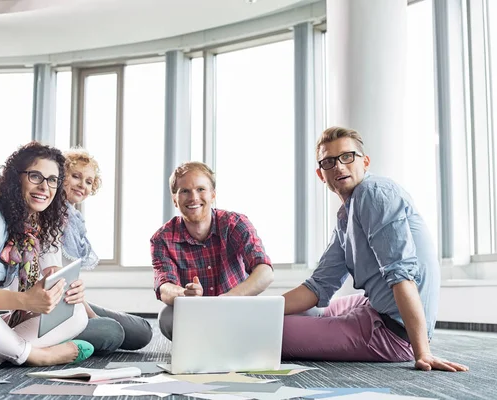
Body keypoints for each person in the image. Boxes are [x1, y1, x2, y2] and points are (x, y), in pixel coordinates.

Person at [281, 126, 469, 372]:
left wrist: (422, 352)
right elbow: (319, 287)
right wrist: (257, 309)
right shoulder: (345, 215)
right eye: (328, 161)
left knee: (270, 332)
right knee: (289, 315)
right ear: (321, 174)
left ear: (365, 161)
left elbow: (401, 275)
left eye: (347, 157)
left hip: (392, 332)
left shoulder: (374, 193)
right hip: (371, 306)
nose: (338, 166)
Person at [0, 142, 93, 374]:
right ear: (16, 178)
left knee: (76, 312)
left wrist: (62, 288)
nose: (45, 186)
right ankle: (35, 355)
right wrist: (25, 300)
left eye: (52, 180)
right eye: (35, 176)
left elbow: (41, 278)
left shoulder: (33, 223)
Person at [41, 148, 153, 355]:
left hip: (70, 299)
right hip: (49, 305)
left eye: (89, 181)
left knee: (142, 331)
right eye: (76, 176)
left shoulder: (73, 219)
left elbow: (71, 283)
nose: (82, 185)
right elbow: (57, 280)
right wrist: (92, 316)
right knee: (111, 332)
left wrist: (87, 309)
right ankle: (42, 344)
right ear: (61, 177)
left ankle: (83, 324)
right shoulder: (48, 214)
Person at [151, 161, 274, 340]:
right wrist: (184, 294)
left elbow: (265, 272)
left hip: (236, 309)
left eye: (201, 189)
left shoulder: (235, 224)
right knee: (167, 317)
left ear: (213, 194)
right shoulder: (162, 238)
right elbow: (165, 288)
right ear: (175, 199)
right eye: (184, 191)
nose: (193, 197)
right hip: (196, 315)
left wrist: (227, 300)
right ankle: (203, 345)